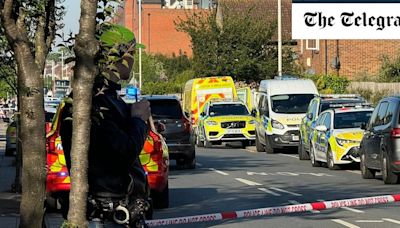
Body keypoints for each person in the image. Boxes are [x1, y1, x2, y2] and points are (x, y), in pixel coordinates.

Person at [59, 24, 151, 227]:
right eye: (131, 53)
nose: (133, 60)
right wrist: (137, 119)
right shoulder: (96, 102)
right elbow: (123, 150)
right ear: (116, 56)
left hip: (115, 207)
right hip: (108, 210)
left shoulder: (100, 98)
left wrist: (135, 121)